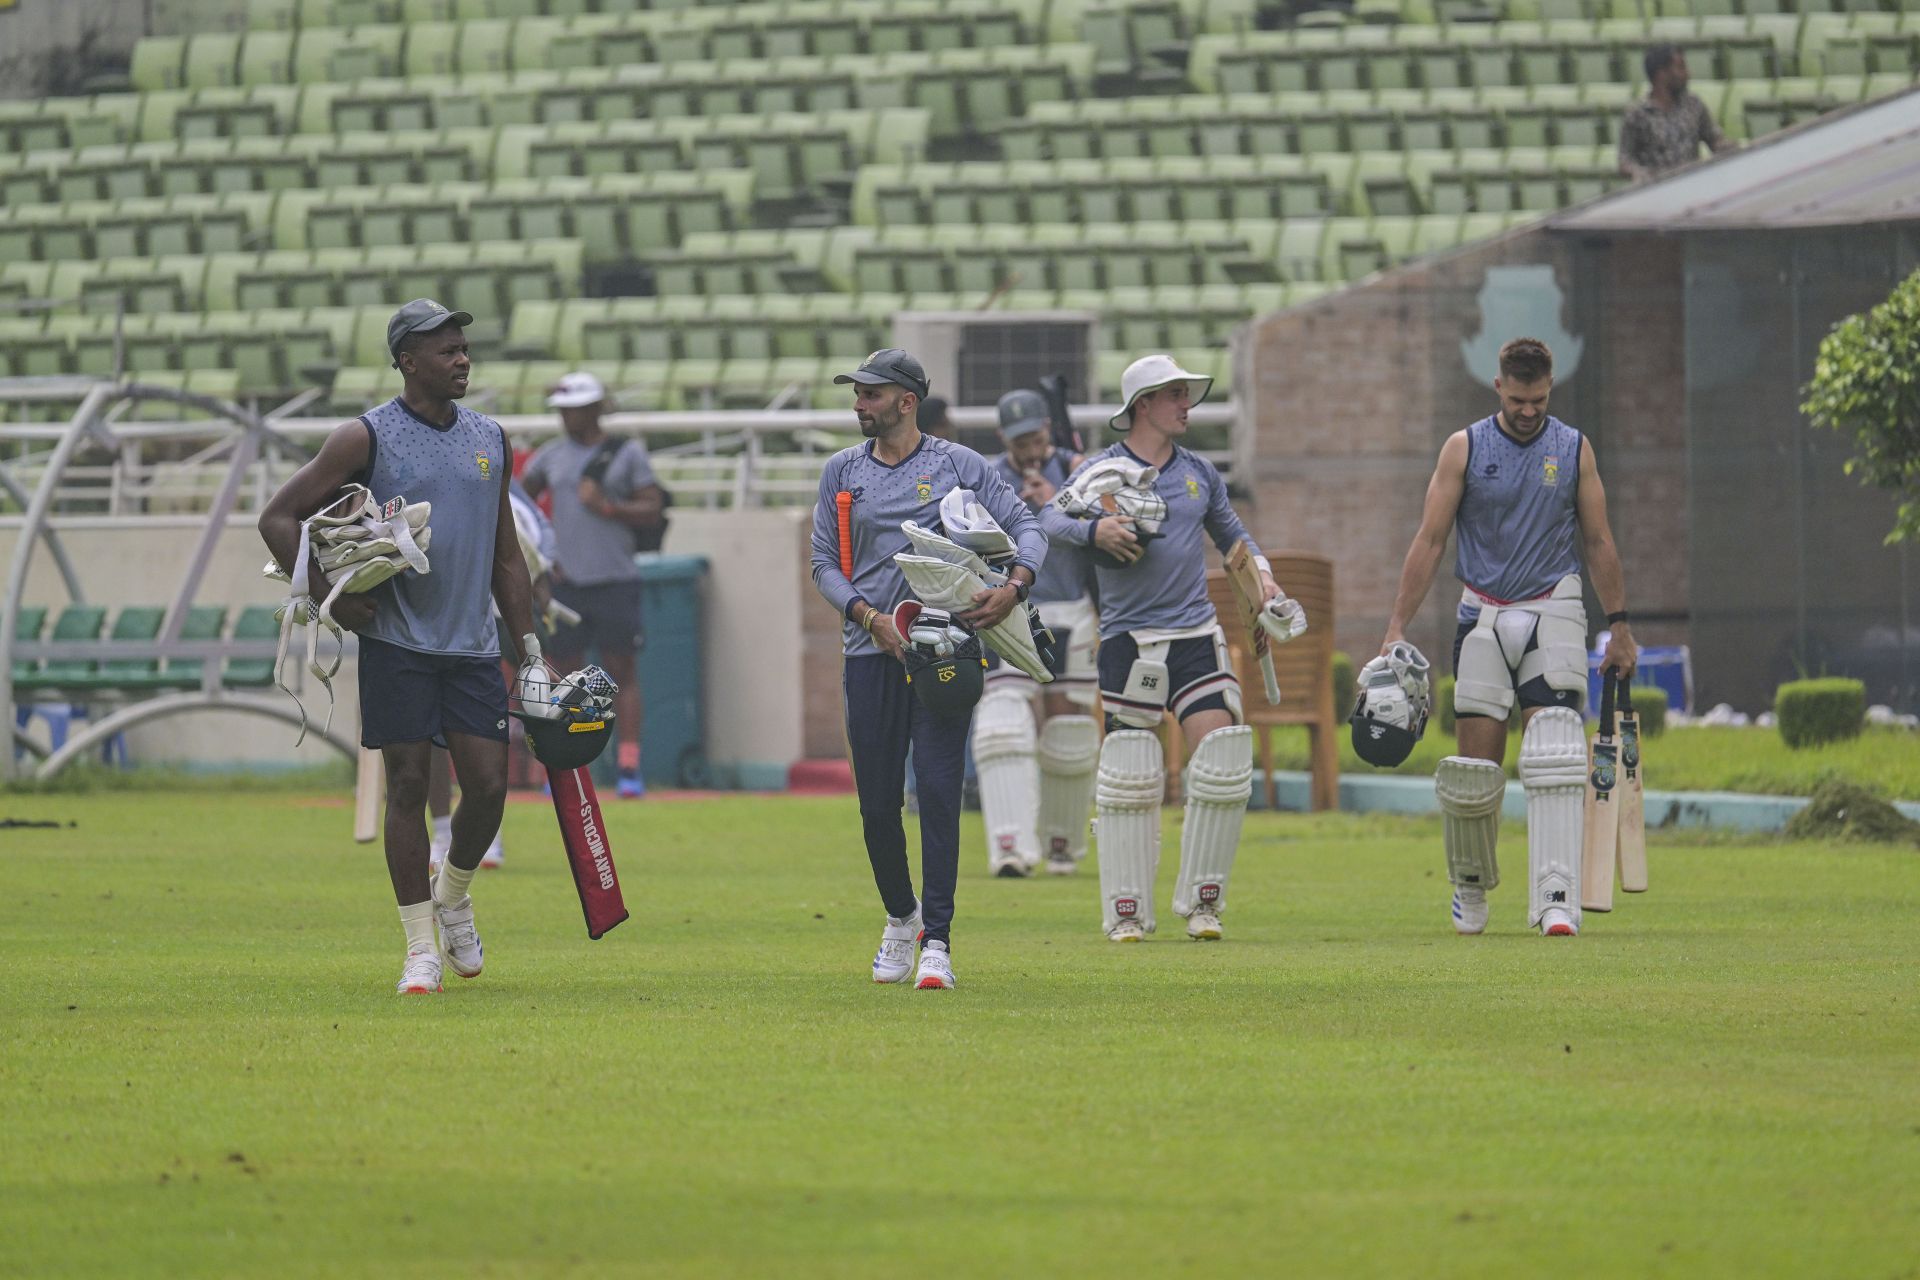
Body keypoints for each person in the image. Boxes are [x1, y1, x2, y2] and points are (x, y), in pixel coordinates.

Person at [258, 299, 540, 995]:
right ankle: (420, 947)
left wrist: (530, 648)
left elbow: (508, 557)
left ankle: (454, 895)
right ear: (409, 361)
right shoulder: (365, 437)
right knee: (409, 787)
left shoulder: (491, 438)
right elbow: (277, 517)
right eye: (447, 350)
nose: (462, 359)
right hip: (397, 643)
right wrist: (331, 595)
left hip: (472, 645)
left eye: (465, 348)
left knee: (489, 786)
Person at [1379, 336, 1637, 939]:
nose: (1529, 410)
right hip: (1484, 614)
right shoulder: (1464, 448)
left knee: (1553, 754)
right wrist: (1396, 625)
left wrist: (1620, 627)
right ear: (1499, 387)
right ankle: (1470, 887)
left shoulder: (1573, 449)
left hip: (1554, 605)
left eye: (1539, 399)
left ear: (1550, 389)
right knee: (1475, 770)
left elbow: (1598, 542)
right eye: (1519, 399)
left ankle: (1555, 897)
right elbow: (1430, 540)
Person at [1039, 354, 1299, 943]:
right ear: (1143, 406)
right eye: (1176, 394)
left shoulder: (1199, 474)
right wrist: (1094, 530)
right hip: (1131, 643)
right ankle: (1126, 912)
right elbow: (1048, 521)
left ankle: (1203, 903)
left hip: (1195, 636)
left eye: (1187, 393)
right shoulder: (1101, 470)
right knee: (1132, 776)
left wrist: (1266, 582)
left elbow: (1235, 537)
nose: (1187, 405)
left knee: (1223, 761)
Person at [809, 349, 1046, 990]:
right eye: (856, 394)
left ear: (905, 402)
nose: (859, 404)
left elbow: (1028, 524)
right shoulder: (841, 472)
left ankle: (937, 939)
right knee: (878, 806)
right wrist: (868, 617)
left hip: (946, 652)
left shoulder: (959, 465)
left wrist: (1015, 586)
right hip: (870, 653)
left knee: (939, 795)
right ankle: (900, 916)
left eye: (870, 394)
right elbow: (824, 564)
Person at [971, 388, 1101, 877]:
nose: (1030, 447)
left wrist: (1053, 506)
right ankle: (1011, 846)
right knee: (1005, 721)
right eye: (1020, 438)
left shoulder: (1077, 468)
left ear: (1049, 428)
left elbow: (1103, 531)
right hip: (1014, 608)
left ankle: (1061, 842)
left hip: (1073, 606)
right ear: (1004, 437)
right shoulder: (988, 477)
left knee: (1068, 729)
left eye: (1037, 435)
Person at [518, 371, 664, 799]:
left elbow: (652, 507)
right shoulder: (551, 457)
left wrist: (608, 507)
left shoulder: (627, 454)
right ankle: (564, 765)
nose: (566, 417)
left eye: (575, 409)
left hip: (616, 578)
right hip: (566, 582)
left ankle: (628, 768)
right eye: (562, 410)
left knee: (621, 673)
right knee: (563, 674)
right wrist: (541, 556)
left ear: (595, 409)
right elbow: (520, 508)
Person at [427, 477, 559, 872]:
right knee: (429, 728)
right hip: (434, 620)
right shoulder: (418, 488)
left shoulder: (499, 493)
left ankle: (487, 835)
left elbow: (534, 554)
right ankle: (442, 831)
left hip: (497, 621)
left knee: (486, 728)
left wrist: (542, 593)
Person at [1618, 44, 1733, 184]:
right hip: (1657, 192)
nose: (1687, 74)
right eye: (1681, 68)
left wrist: (1726, 146)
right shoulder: (1638, 114)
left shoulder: (1693, 105)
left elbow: (1714, 140)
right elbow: (1625, 160)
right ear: (1662, 74)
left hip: (1693, 184)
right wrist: (1637, 172)